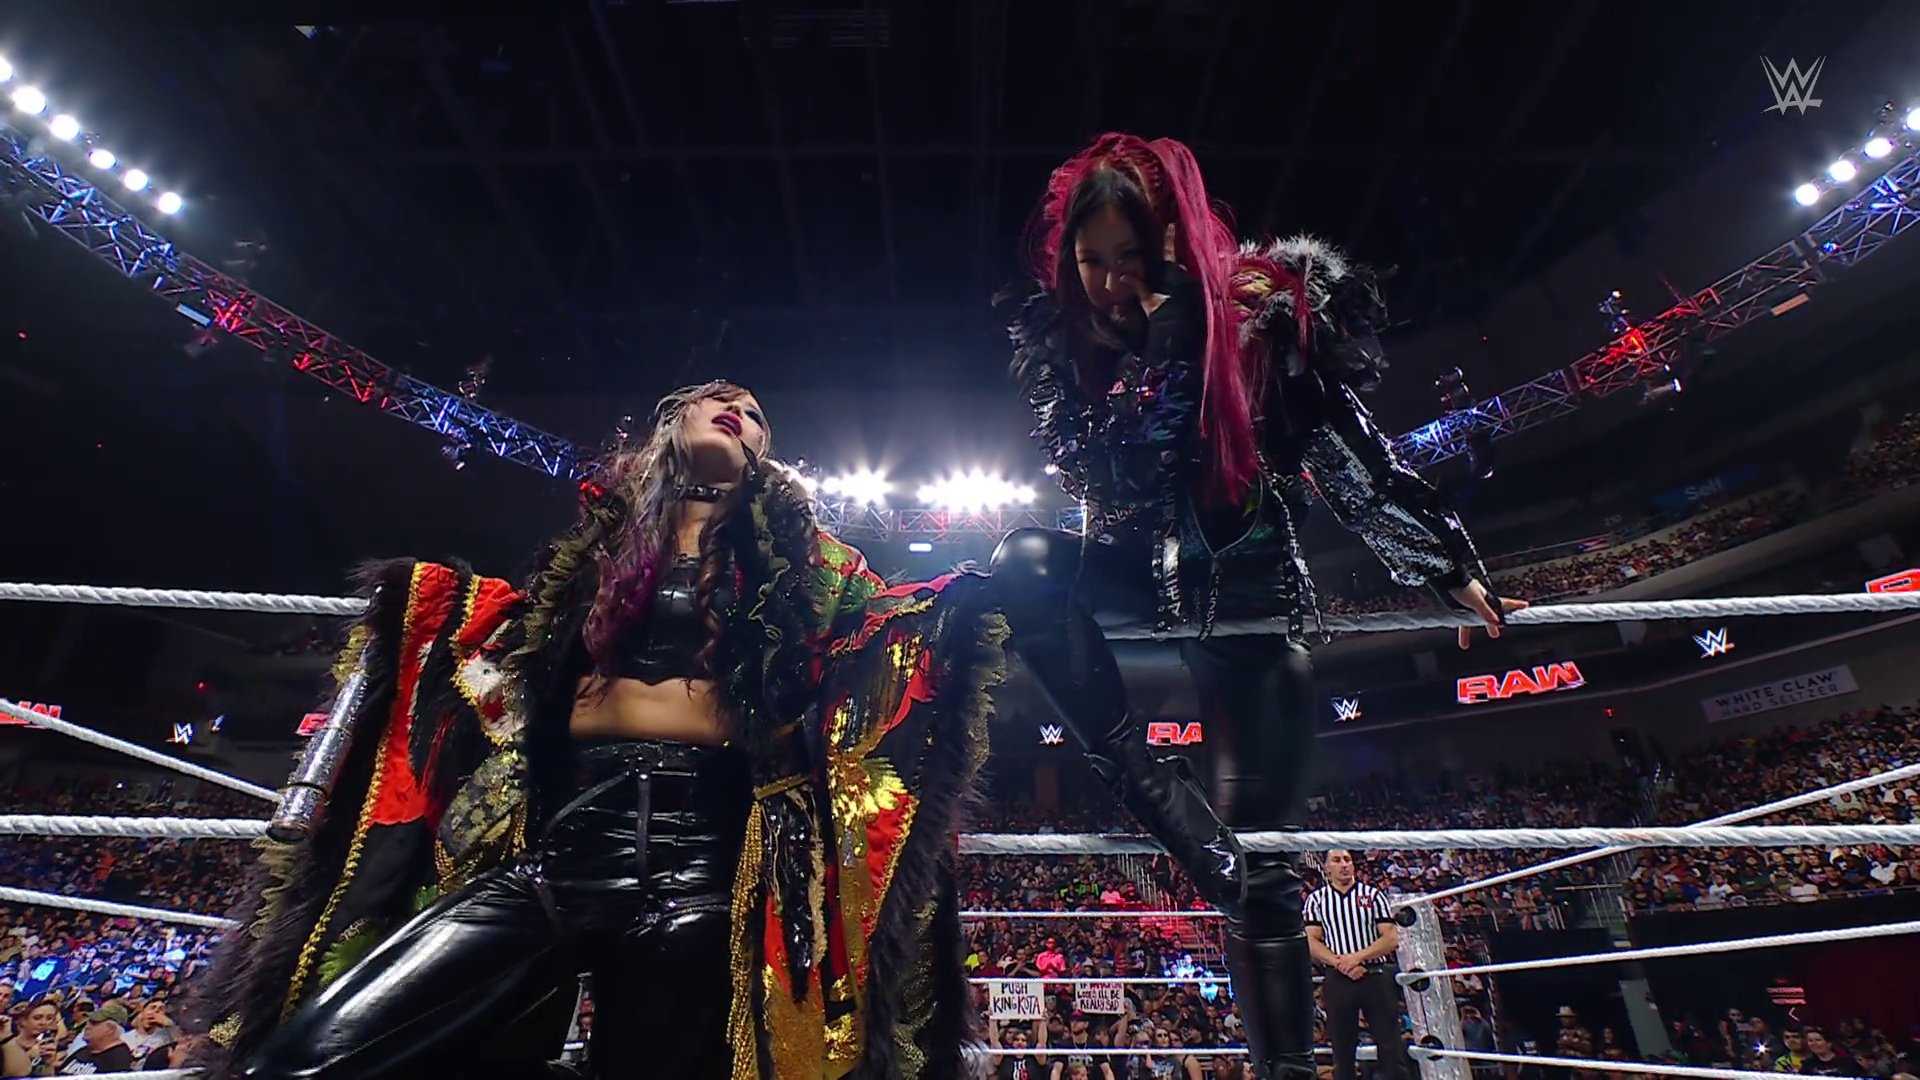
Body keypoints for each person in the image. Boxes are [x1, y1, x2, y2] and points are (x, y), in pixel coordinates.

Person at [185, 381, 1009, 1079]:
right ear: (669, 422)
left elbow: (880, 640)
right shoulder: (594, 553)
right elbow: (515, 671)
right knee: (307, 1057)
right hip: (558, 849)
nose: (738, 408)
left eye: (756, 415)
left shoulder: (806, 568)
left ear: (766, 456)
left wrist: (985, 595)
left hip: (699, 862)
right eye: (717, 399)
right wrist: (431, 607)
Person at [993, 132, 1519, 1080]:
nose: (1110, 281)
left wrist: (1444, 565)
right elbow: (1116, 471)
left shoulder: (1255, 322)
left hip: (1249, 600)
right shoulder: (1073, 349)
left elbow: (1346, 453)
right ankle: (1153, 792)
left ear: (1171, 238)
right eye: (1091, 260)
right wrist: (1157, 346)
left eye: (1129, 255)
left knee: (1261, 877)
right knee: (1021, 562)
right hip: (1142, 579)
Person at [1304, 851, 1408, 1080]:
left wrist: (1356, 958)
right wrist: (1341, 963)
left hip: (1374, 974)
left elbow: (1391, 938)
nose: (1344, 865)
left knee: (1390, 1044)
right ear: (1327, 867)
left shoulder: (1373, 895)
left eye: (1347, 860)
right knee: (1342, 1047)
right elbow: (1311, 941)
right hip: (1338, 977)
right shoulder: (1317, 900)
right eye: (1337, 860)